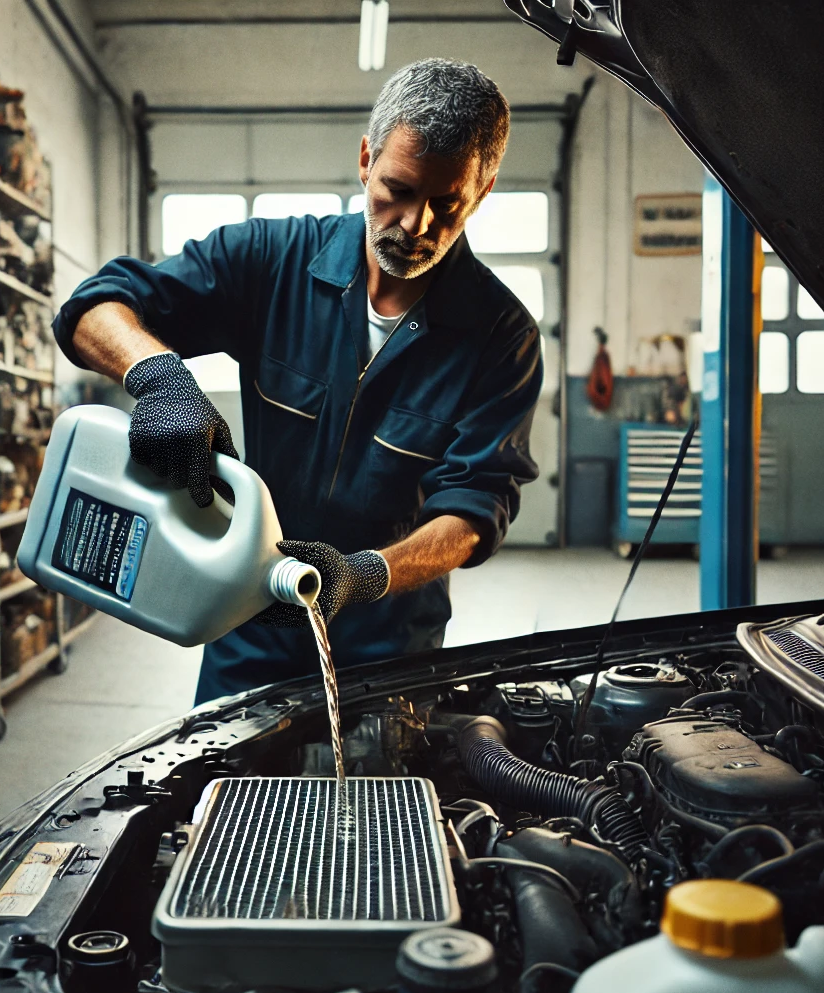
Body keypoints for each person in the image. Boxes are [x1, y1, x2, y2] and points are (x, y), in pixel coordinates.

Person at [52, 58, 543, 705]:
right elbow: (97, 305)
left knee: (382, 803)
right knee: (229, 799)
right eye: (397, 187)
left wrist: (364, 575)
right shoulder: (271, 260)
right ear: (367, 158)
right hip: (252, 612)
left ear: (483, 190)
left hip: (390, 635)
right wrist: (159, 376)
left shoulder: (501, 335)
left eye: (446, 202)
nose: (416, 224)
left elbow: (476, 511)